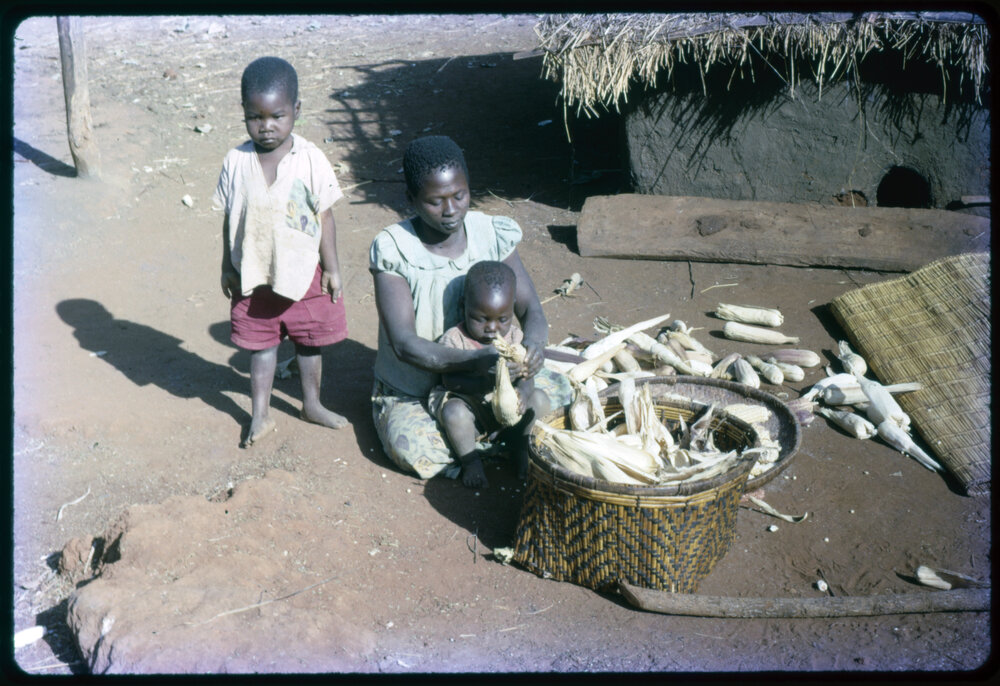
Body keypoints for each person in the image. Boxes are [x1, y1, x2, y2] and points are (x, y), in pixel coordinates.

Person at [369, 135, 572, 480]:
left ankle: (497, 439)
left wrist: (533, 349)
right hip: (418, 391)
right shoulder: (394, 250)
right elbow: (404, 344)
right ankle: (499, 443)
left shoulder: (491, 234)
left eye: (459, 196)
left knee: (559, 398)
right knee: (416, 448)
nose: (451, 210)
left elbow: (532, 310)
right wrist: (476, 362)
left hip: (497, 381)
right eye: (435, 201)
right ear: (411, 199)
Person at [213, 56, 349, 447]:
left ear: (296, 112)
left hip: (304, 271)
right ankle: (260, 416)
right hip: (254, 277)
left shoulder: (310, 160)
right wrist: (226, 264)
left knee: (309, 342)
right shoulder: (236, 162)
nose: (267, 126)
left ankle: (311, 403)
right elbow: (230, 220)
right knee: (262, 346)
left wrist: (332, 268)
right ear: (243, 113)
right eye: (255, 117)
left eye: (278, 115)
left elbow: (324, 216)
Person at [430, 260, 550, 488]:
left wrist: (523, 393)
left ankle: (522, 448)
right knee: (454, 413)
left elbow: (527, 376)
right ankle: (470, 460)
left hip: (508, 418)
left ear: (513, 309)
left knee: (541, 400)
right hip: (474, 414)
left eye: (502, 319)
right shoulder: (455, 339)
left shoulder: (515, 338)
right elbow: (449, 380)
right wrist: (484, 376)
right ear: (464, 305)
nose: (492, 328)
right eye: (481, 318)